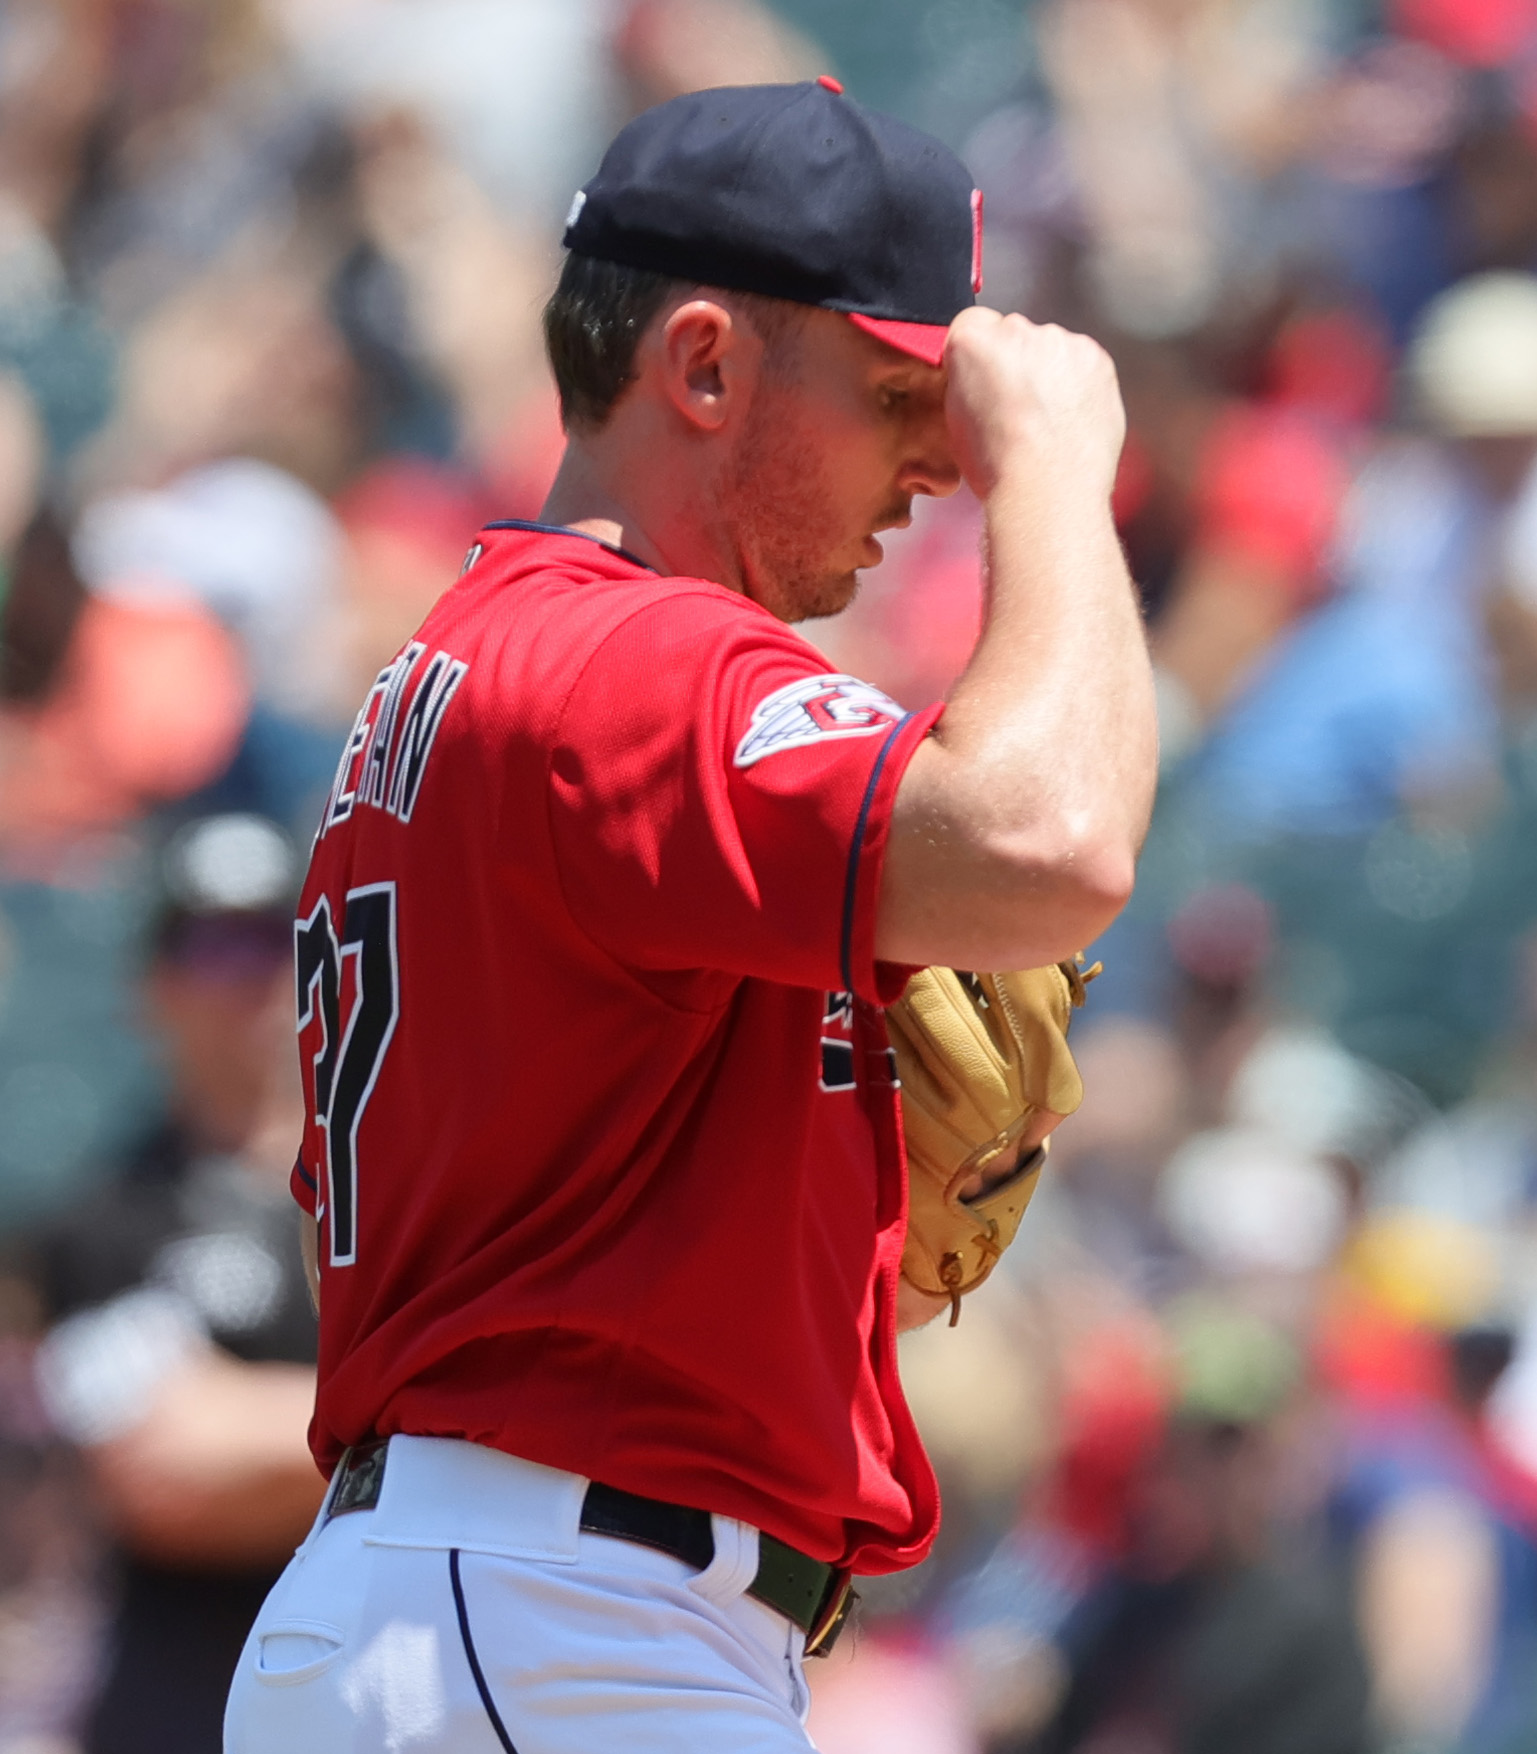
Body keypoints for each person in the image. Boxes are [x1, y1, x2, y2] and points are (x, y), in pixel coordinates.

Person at [225, 79, 1157, 1752]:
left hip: (498, 1605)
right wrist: (1065, 488)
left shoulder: (495, 661)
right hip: (558, 1615)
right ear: (707, 363)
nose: (942, 461)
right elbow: (1052, 837)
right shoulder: (627, 661)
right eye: (895, 394)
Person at [27, 813, 323, 1754]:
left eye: (279, 938)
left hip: (375, 1701)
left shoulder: (398, 1191)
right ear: (153, 986)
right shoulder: (103, 1221)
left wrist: (270, 1425)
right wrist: (422, 1431)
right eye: (215, 944)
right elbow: (163, 1473)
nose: (254, 977)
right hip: (186, 1708)